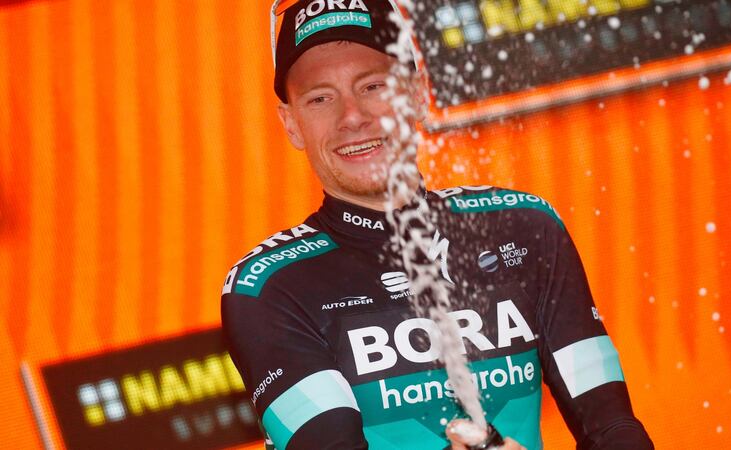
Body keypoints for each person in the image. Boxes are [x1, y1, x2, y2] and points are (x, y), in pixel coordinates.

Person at [220, 1, 654, 449]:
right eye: (320, 98)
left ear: (417, 94)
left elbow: (614, 429)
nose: (352, 116)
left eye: (373, 85)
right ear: (291, 124)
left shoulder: (524, 229)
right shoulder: (268, 287)